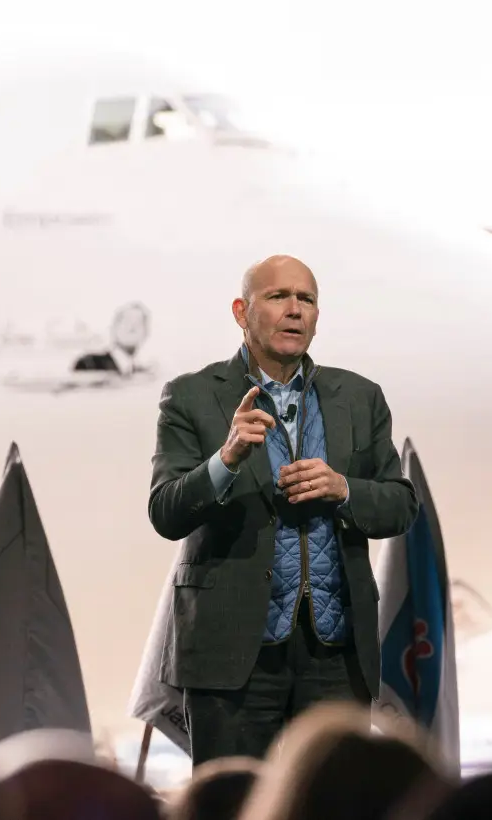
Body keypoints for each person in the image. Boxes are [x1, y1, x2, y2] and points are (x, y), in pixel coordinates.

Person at [147, 254, 418, 765]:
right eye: (278, 297)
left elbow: (401, 506)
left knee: (335, 806)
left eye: (306, 299)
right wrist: (225, 460)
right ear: (241, 312)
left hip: (335, 654)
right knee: (233, 807)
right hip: (230, 654)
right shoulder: (191, 397)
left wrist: (343, 489)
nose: (295, 310)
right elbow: (166, 512)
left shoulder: (359, 398)